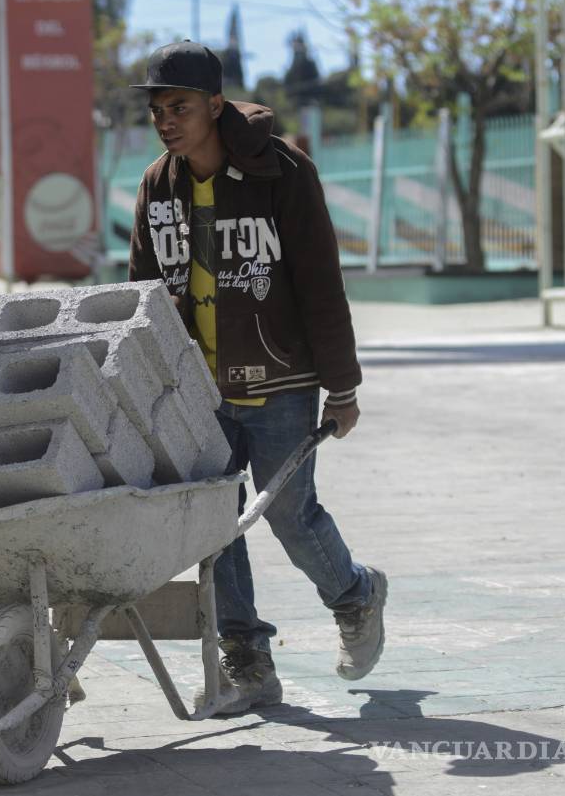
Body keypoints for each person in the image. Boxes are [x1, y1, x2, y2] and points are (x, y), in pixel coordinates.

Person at [127, 40, 387, 714]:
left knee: (290, 519)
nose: (166, 120)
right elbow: (141, 294)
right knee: (214, 526)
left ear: (214, 104)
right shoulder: (158, 185)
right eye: (157, 109)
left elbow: (320, 281)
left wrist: (344, 385)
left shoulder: (282, 172)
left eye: (179, 106)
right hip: (200, 391)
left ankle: (356, 596)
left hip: (281, 382)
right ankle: (247, 660)